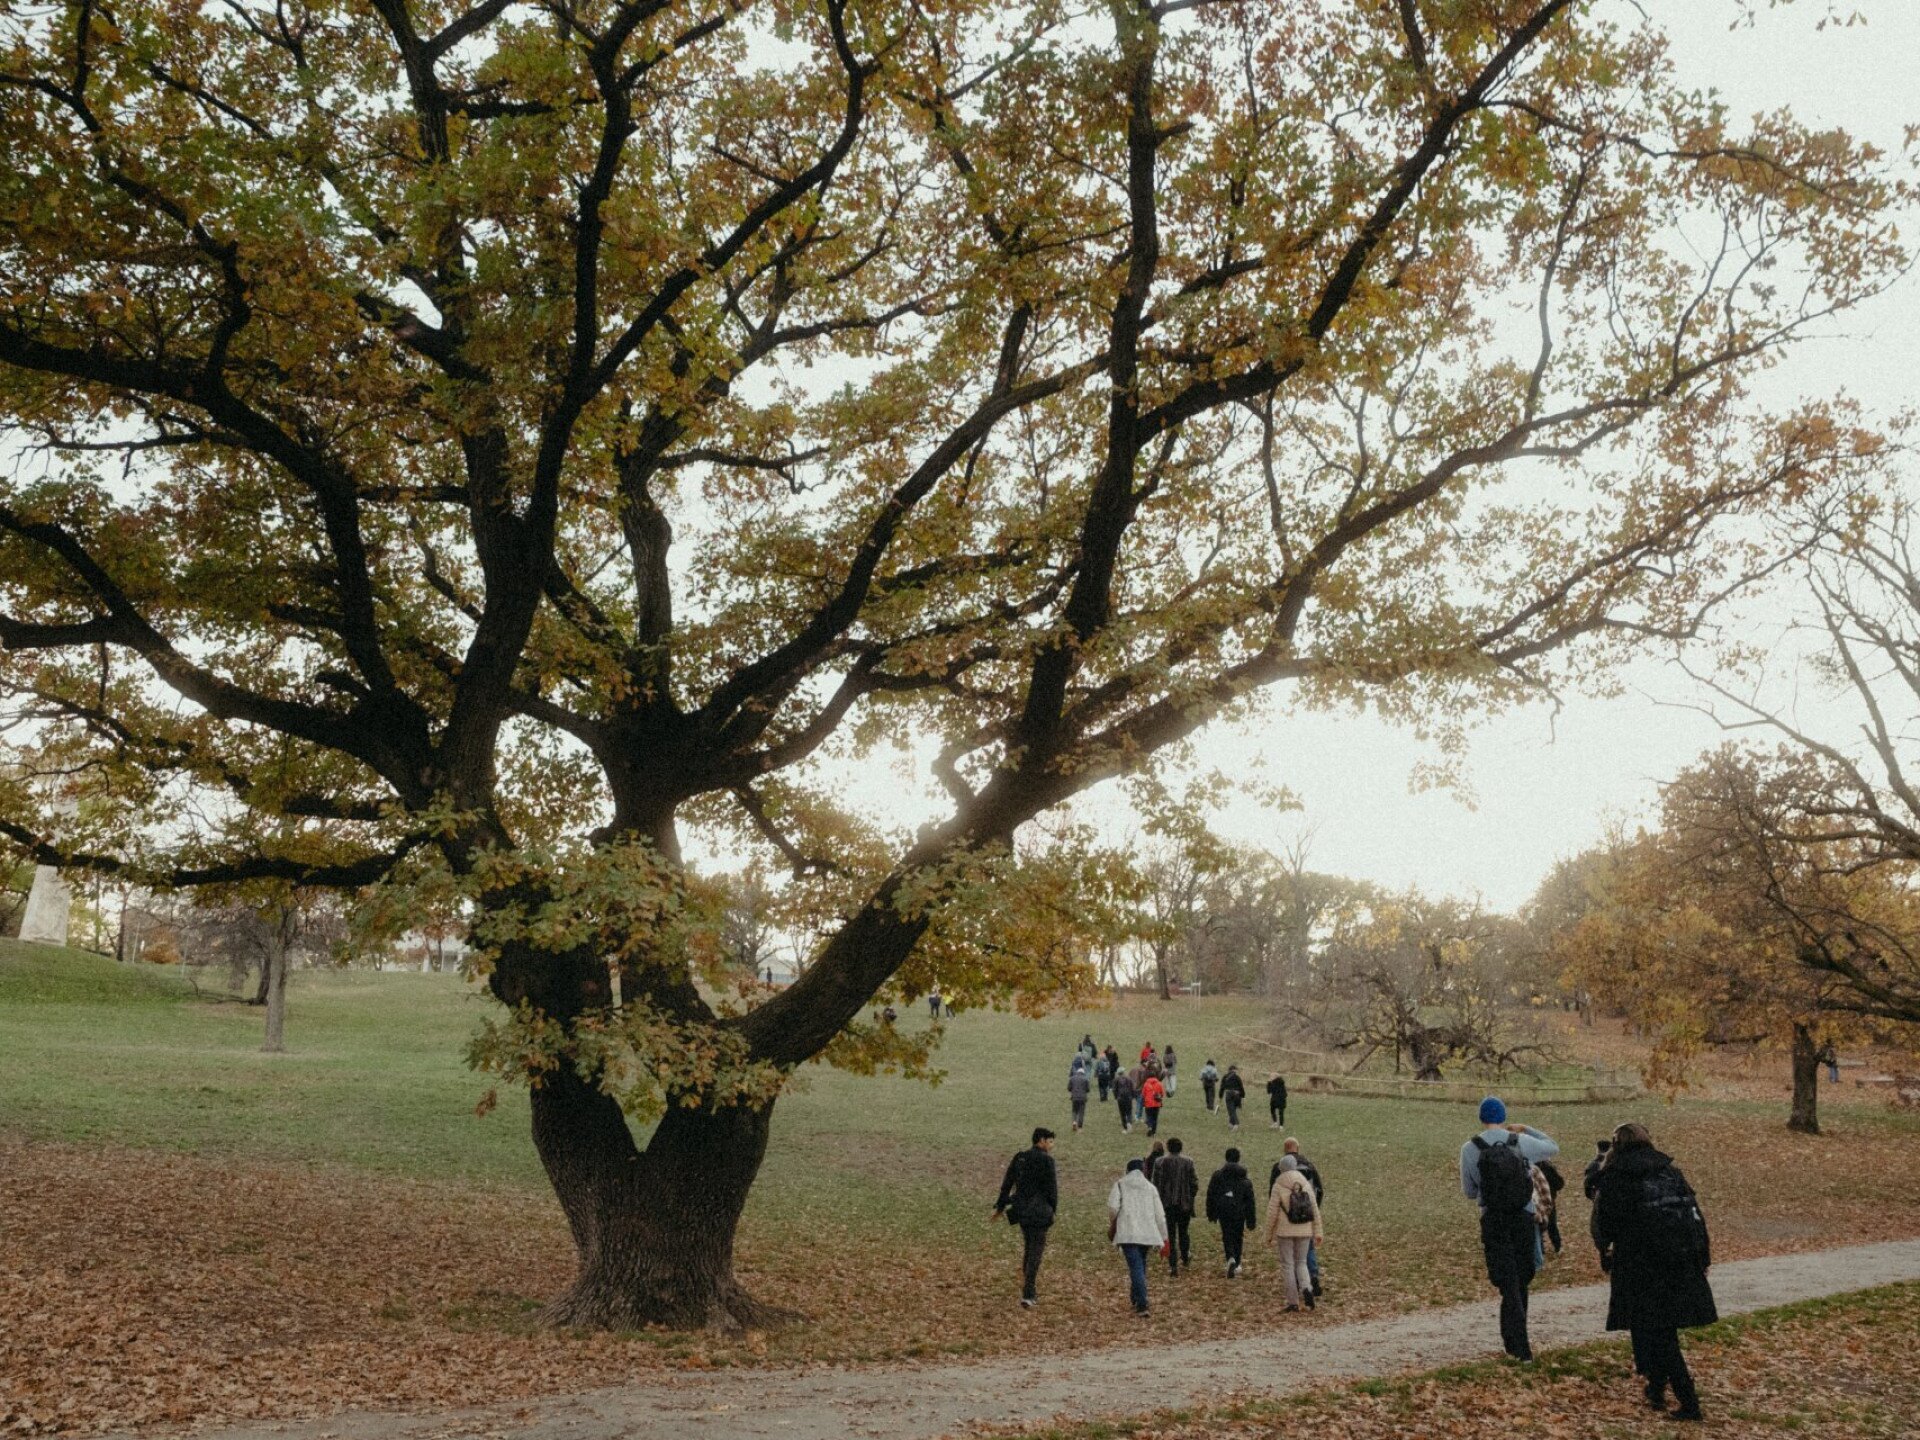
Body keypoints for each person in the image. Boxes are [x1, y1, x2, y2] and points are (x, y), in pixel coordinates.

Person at [1591, 1122, 1716, 1422]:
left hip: (1641, 1265)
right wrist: (1702, 1257)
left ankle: (1688, 1400)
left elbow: (1603, 1225)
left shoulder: (1616, 1178)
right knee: (1659, 1328)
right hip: (1680, 1260)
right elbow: (1692, 1212)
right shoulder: (1670, 1172)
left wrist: (1606, 1250)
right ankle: (1656, 1387)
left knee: (1658, 1331)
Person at [1460, 1097, 1559, 1361]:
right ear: (1503, 1116)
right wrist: (1526, 1129)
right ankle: (1519, 1344)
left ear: (1481, 1118)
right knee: (1521, 1279)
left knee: (1508, 1281)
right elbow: (1553, 1147)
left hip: (1493, 1219)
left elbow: (1470, 1192)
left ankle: (1517, 1345)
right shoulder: (1520, 1142)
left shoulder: (1470, 1148)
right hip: (1523, 1217)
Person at [991, 1127, 1059, 1309]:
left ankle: (1027, 1284)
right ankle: (1028, 1292)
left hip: (1022, 1211)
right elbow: (1052, 1188)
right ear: (1042, 1141)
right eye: (1050, 1141)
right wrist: (1053, 1209)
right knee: (1036, 1251)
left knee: (1029, 1247)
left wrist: (1000, 1205)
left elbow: (1007, 1183)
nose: (1052, 1145)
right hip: (1040, 1211)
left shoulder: (1020, 1158)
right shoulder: (1047, 1161)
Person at [1107, 1158, 1169, 1314]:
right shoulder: (1150, 1188)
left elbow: (1113, 1207)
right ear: (1143, 1170)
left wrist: (1115, 1221)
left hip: (1128, 1232)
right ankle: (1136, 1296)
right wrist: (1164, 1237)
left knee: (1136, 1266)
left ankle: (1141, 1302)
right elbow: (1160, 1215)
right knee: (1140, 1264)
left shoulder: (1120, 1184)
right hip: (1147, 1233)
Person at [1263, 1154, 1323, 1311]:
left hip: (1284, 1231)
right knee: (1301, 1262)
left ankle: (1293, 1302)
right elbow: (1314, 1208)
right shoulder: (1304, 1183)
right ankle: (1307, 1288)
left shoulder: (1278, 1185)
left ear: (1281, 1168)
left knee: (1288, 1265)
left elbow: (1272, 1212)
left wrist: (1267, 1235)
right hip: (1304, 1230)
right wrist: (1318, 1232)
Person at [1280, 1137, 1326, 1296]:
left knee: (1291, 1254)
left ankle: (1297, 1285)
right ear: (1297, 1148)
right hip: (1307, 1215)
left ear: (1285, 1150)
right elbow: (1319, 1190)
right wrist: (1314, 1210)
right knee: (1309, 1248)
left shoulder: (1279, 1168)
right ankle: (1312, 1275)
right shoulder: (1309, 1166)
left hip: (1287, 1217)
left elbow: (1273, 1193)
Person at [1205, 1145, 1258, 1277]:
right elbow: (1250, 1201)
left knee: (1226, 1234)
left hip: (1224, 1210)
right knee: (1238, 1236)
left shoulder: (1218, 1176)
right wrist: (1251, 1219)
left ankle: (1230, 1258)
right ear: (1238, 1159)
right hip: (1239, 1211)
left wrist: (1211, 1212)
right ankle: (1238, 1262)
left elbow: (1211, 1195)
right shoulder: (1245, 1179)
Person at [1152, 1136, 1199, 1274]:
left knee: (1170, 1235)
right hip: (1184, 1204)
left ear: (1168, 1147)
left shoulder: (1159, 1162)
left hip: (1166, 1205)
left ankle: (1173, 1265)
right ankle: (1184, 1256)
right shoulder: (1188, 1162)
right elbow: (1194, 1183)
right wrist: (1190, 1197)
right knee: (1184, 1232)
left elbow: (1156, 1183)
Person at [1220, 1064, 1246, 1128]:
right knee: (1233, 1109)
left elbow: (1222, 1087)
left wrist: (1220, 1095)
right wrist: (1243, 1096)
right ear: (1234, 1070)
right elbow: (1241, 1087)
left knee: (1231, 1110)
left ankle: (1236, 1124)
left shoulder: (1225, 1077)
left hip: (1229, 1094)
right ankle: (1231, 1123)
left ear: (1229, 1070)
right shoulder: (1237, 1077)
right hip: (1237, 1094)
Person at [1112, 1066, 1137, 1134]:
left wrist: (1116, 1097)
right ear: (1124, 1072)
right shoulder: (1129, 1079)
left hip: (1120, 1099)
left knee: (1122, 1113)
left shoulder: (1116, 1080)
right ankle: (1129, 1122)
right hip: (1128, 1098)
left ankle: (1125, 1128)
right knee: (1129, 1112)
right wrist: (1133, 1096)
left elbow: (1114, 1090)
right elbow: (1133, 1088)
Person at [1141, 1070, 1166, 1136]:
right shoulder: (1159, 1083)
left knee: (1149, 1117)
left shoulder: (1146, 1084)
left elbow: (1143, 1094)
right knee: (1155, 1118)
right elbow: (1162, 1094)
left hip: (1148, 1104)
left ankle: (1149, 1127)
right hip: (1157, 1104)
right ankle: (1154, 1132)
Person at [1067, 1060, 1090, 1132]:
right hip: (1082, 1098)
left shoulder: (1072, 1078)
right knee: (1081, 1112)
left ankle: (1074, 1121)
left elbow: (1069, 1088)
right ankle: (1080, 1128)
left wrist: (1073, 1091)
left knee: (1074, 1110)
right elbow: (1088, 1089)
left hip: (1074, 1097)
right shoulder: (1086, 1079)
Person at [1127, 1059, 1148, 1124]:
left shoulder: (1133, 1069)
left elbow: (1128, 1077)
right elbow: (1142, 1079)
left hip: (1132, 1089)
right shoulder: (1143, 1070)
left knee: (1139, 1103)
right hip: (1139, 1089)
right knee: (1140, 1103)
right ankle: (1137, 1116)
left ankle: (1138, 1116)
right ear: (1144, 1063)